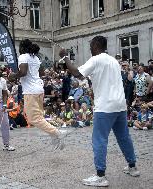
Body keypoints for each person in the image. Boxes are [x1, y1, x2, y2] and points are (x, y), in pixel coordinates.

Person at [58, 36, 140, 187]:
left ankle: (100, 175)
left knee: (99, 139)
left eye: (91, 45)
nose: (89, 48)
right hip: (120, 105)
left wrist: (65, 57)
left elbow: (76, 73)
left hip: (105, 107)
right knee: (124, 137)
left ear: (96, 45)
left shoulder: (96, 59)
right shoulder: (113, 61)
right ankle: (132, 166)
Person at [8, 39, 64, 150]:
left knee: (33, 119)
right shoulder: (36, 58)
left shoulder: (23, 57)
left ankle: (56, 132)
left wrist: (13, 75)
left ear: (22, 48)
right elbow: (42, 73)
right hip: (38, 89)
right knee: (39, 116)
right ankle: (54, 135)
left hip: (31, 91)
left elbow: (23, 72)